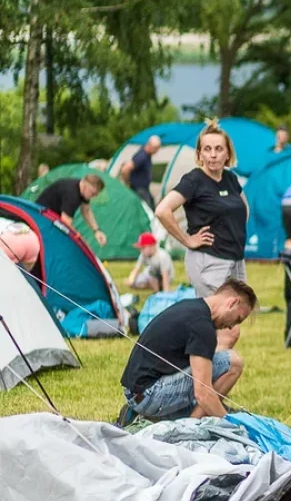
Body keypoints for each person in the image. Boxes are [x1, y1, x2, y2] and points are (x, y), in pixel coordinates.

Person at [116, 279, 257, 426]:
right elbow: (202, 393)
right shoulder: (202, 326)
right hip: (149, 395)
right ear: (232, 303)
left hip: (136, 392)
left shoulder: (191, 306)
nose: (231, 327)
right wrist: (230, 426)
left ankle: (145, 416)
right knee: (233, 363)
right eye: (237, 319)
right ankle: (191, 426)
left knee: (208, 398)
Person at [156, 121, 248, 299]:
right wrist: (187, 240)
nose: (213, 155)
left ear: (228, 153)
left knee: (237, 314)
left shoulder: (230, 178)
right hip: (209, 261)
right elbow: (162, 210)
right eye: (207, 149)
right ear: (199, 154)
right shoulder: (194, 180)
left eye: (218, 149)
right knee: (217, 314)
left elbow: (244, 208)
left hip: (236, 259)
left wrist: (234, 229)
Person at [34, 174, 108, 247]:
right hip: (39, 219)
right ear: (84, 186)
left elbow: (86, 211)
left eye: (96, 194)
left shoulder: (82, 189)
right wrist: (83, 244)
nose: (94, 196)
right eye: (92, 194)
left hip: (48, 218)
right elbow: (66, 223)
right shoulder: (72, 194)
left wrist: (97, 230)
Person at [120, 135, 162, 206]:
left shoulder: (147, 155)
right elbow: (125, 169)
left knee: (151, 205)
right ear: (150, 146)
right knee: (147, 209)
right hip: (139, 190)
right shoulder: (142, 156)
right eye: (156, 149)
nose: (156, 151)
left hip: (144, 189)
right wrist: (127, 182)